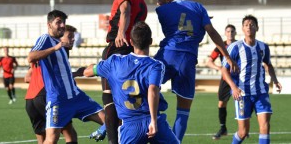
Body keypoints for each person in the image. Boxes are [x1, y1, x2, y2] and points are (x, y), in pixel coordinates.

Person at [153, 0, 239, 142]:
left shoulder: (161, 10)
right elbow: (211, 32)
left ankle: (158, 105)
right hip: (188, 60)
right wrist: (227, 57)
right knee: (183, 111)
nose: (157, 3)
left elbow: (175, 19)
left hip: (168, 56)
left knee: (142, 85)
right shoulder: (199, 7)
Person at [76, 21, 179, 144]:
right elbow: (152, 90)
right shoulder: (155, 66)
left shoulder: (114, 62)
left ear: (131, 42)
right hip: (153, 119)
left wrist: (78, 72)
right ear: (151, 42)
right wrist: (153, 121)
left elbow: (88, 72)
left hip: (130, 125)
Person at [27, 10, 105, 144]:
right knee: (51, 139)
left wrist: (79, 73)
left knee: (110, 119)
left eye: (64, 22)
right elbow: (31, 57)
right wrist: (54, 48)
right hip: (58, 100)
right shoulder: (46, 39)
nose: (62, 25)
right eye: (58, 22)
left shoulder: (61, 47)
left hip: (77, 96)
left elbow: (62, 74)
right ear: (49, 25)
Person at [98, 0, 147, 144]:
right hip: (132, 51)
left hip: (117, 48)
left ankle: (113, 141)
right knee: (126, 99)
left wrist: (120, 32)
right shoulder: (141, 0)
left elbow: (125, 10)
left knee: (108, 98)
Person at [221, 15, 282, 144]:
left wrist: (275, 81)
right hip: (242, 94)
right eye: (246, 25)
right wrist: (233, 87)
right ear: (243, 29)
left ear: (257, 28)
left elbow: (268, 65)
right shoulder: (235, 47)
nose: (249, 26)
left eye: (252, 24)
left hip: (261, 92)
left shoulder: (263, 47)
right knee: (243, 132)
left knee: (265, 126)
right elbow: (224, 70)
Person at [24, 25, 85, 144]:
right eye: (70, 36)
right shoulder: (58, 52)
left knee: (43, 140)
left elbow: (27, 78)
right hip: (46, 96)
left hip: (30, 99)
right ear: (60, 38)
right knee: (70, 136)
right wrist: (77, 73)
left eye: (74, 37)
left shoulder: (41, 50)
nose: (73, 39)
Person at [206, 24, 237, 140]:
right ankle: (223, 128)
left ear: (235, 33)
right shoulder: (220, 46)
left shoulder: (239, 45)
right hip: (225, 79)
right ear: (225, 33)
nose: (230, 33)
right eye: (228, 31)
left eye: (232, 31)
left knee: (242, 102)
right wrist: (219, 69)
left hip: (238, 78)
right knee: (221, 103)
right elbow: (209, 62)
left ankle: (244, 128)